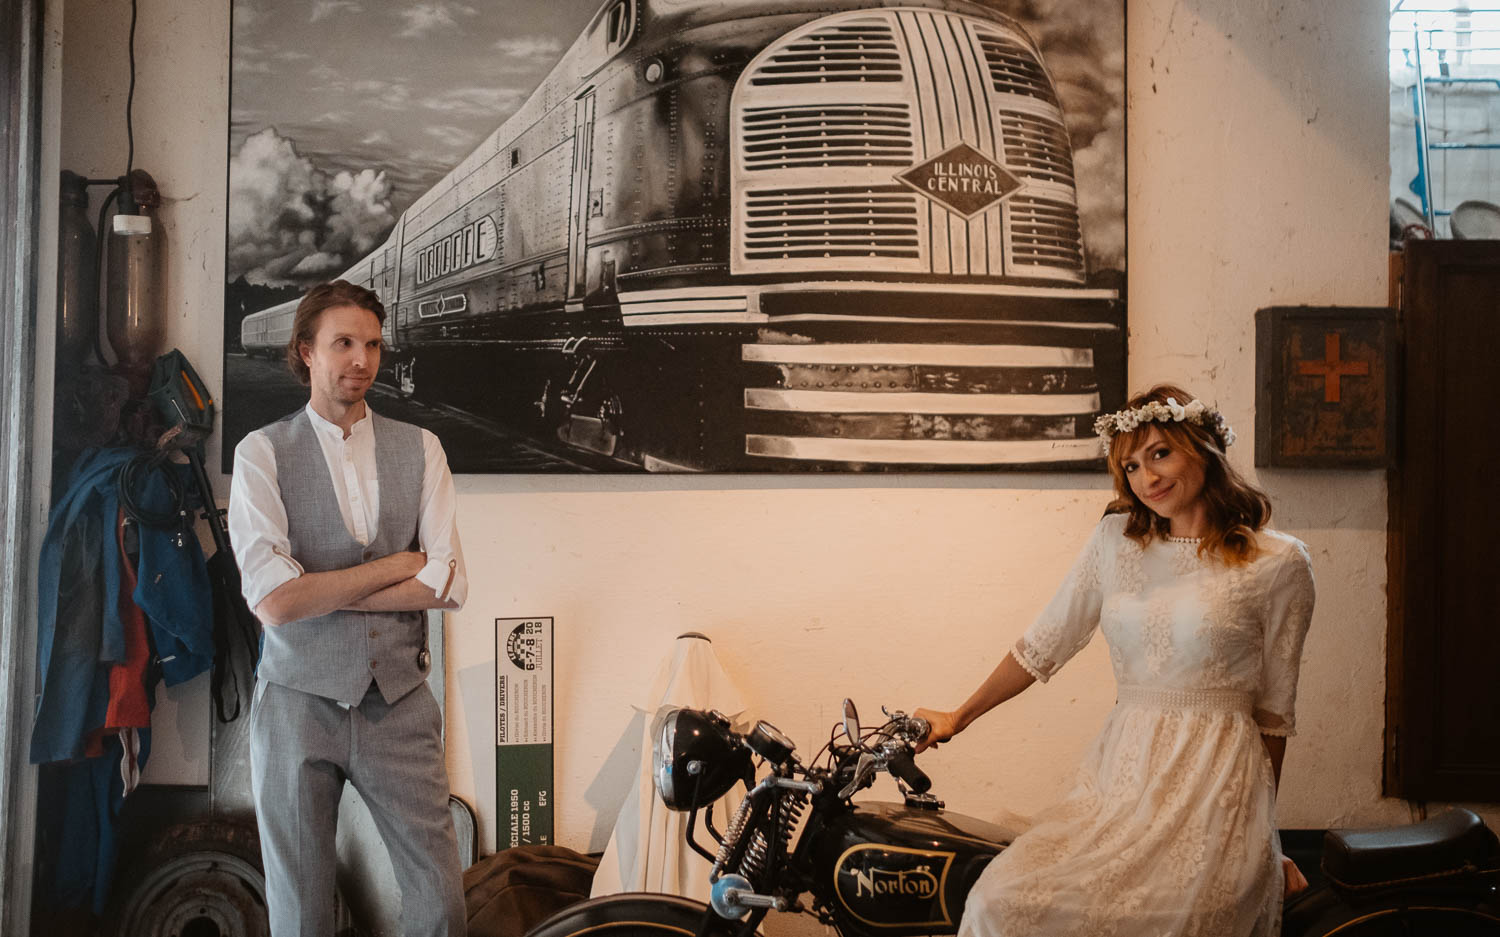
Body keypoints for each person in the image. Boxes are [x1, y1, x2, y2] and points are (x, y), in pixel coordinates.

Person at [914, 384, 1315, 937]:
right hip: (1121, 783)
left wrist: (1264, 837)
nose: (1146, 478)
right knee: (1000, 903)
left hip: (1216, 789)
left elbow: (1274, 714)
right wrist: (958, 717)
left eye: (1160, 453)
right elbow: (1042, 645)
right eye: (1130, 465)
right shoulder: (1113, 541)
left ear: (1203, 448)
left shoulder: (1280, 563)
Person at [228, 279, 468, 937]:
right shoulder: (261, 454)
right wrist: (396, 564)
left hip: (399, 703)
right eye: (343, 343)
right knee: (302, 915)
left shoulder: (421, 448)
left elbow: (448, 584)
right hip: (298, 703)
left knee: (442, 905)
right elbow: (275, 601)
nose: (360, 359)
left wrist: (322, 588)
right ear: (306, 350)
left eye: (372, 344)